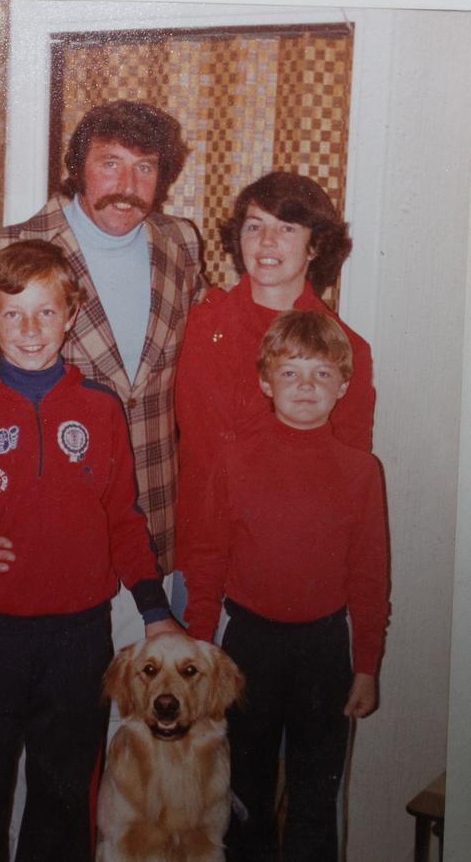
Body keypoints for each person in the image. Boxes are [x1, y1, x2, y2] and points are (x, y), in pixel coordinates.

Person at [0, 240, 178, 862]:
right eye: (12, 314)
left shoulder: (102, 409)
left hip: (81, 639)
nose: (30, 329)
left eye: (46, 312)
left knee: (64, 800)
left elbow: (124, 519)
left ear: (71, 312)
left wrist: (155, 609)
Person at [0, 101, 206, 650]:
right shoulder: (6, 248)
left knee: (146, 722)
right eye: (110, 163)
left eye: (145, 167)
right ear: (79, 166)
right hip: (39, 544)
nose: (127, 184)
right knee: (54, 725)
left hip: (153, 530)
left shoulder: (180, 243)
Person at [182, 310, 389, 862]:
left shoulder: (362, 471)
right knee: (241, 795)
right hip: (247, 646)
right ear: (264, 381)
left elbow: (370, 579)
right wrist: (200, 652)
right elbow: (206, 562)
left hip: (325, 651)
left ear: (343, 387)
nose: (305, 387)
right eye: (291, 373)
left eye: (321, 375)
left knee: (315, 797)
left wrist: (366, 664)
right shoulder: (234, 460)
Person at [175, 171, 375, 575]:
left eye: (286, 228)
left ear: (315, 245)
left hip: (287, 554)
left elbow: (348, 472)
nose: (267, 242)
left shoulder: (345, 348)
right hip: (200, 548)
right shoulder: (198, 322)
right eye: (254, 226)